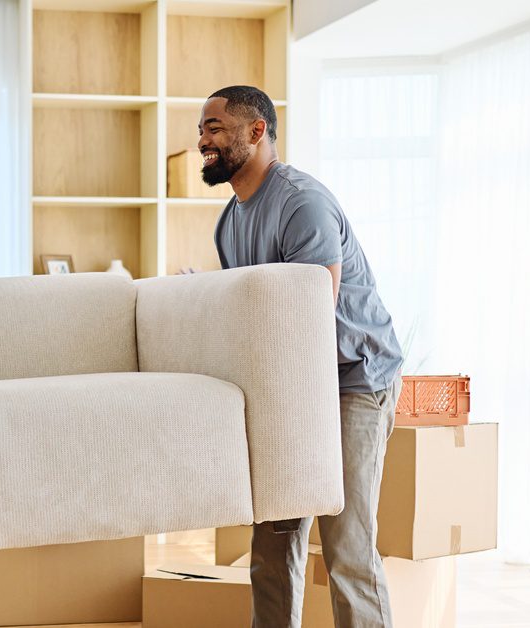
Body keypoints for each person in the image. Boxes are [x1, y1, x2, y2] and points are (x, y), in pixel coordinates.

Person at [199, 86, 404, 628]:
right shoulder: (230, 221)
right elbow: (253, 316)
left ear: (257, 131)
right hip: (293, 386)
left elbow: (312, 319)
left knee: (347, 547)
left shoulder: (300, 203)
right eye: (202, 130)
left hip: (354, 380)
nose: (203, 141)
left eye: (214, 128)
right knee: (271, 546)